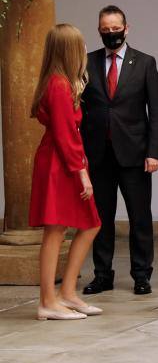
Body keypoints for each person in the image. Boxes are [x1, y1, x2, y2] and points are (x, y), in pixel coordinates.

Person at [81, 5, 158, 296]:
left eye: (116, 29)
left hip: (135, 154)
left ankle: (141, 274)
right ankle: (102, 275)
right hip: (97, 154)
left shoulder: (144, 63)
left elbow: (156, 112)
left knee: (139, 217)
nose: (111, 34)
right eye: (106, 30)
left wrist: (154, 152)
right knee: (100, 218)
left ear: (126, 28)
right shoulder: (86, 62)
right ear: (99, 30)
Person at [29, 24, 102, 320]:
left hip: (63, 160)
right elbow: (64, 133)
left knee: (90, 222)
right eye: (80, 44)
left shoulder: (60, 81)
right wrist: (81, 171)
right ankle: (48, 300)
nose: (85, 50)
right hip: (60, 164)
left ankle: (68, 293)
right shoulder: (58, 84)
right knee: (56, 229)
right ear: (70, 49)